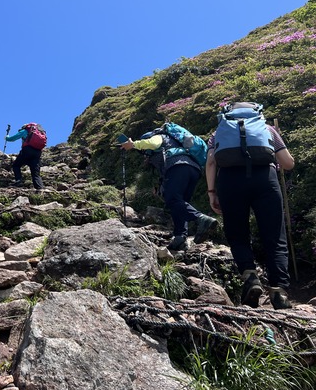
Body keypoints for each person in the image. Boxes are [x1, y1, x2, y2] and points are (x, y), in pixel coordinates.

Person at [205, 104, 295, 310]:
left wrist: (212, 192)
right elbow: (288, 163)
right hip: (266, 179)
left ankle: (250, 277)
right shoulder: (268, 128)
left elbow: (211, 162)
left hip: (230, 181)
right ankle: (279, 292)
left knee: (237, 234)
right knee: (274, 236)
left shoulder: (219, 130)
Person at [120, 125, 218, 251]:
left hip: (178, 166)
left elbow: (152, 143)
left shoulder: (160, 137)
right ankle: (180, 238)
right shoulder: (176, 144)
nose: (145, 154)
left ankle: (201, 219)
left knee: (172, 199)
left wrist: (133, 144)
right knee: (180, 204)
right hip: (194, 170)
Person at [6, 123, 45, 190]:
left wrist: (7, 137)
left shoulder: (25, 131)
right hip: (37, 153)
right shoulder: (39, 132)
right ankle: (40, 188)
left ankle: (19, 180)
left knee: (16, 165)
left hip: (27, 151)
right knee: (35, 173)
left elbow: (12, 138)